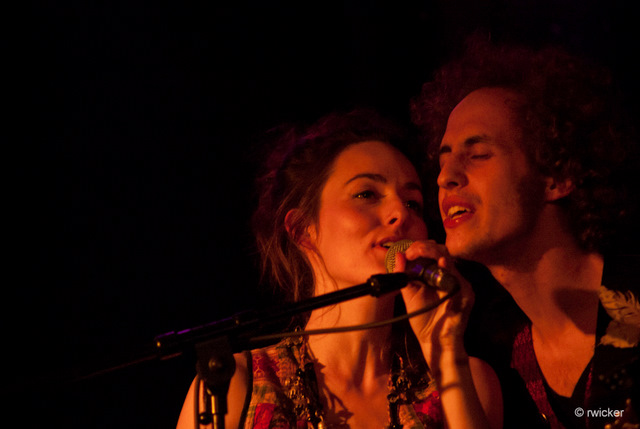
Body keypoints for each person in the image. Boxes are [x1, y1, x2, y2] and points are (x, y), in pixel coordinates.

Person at [176, 109, 503, 428]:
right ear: (303, 229)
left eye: (412, 203)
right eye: (367, 194)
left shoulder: (464, 379)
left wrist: (444, 352)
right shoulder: (230, 385)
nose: (401, 214)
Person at [411, 36, 639, 429]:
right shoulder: (506, 356)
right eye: (443, 161)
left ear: (557, 176)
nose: (446, 177)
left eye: (478, 155)